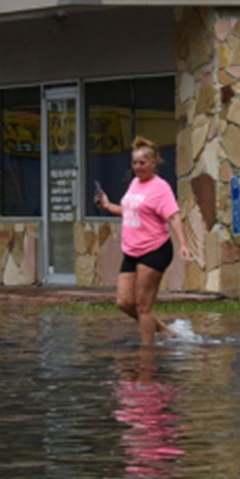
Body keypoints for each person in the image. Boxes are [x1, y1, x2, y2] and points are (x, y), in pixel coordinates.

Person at [96, 136, 193, 346]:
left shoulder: (161, 188)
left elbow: (174, 216)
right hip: (132, 250)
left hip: (155, 249)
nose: (137, 167)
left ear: (153, 162)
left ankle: (147, 354)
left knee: (143, 305)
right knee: (124, 302)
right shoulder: (134, 183)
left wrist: (184, 244)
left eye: (142, 163)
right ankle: (167, 332)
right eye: (134, 163)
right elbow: (130, 210)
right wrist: (108, 206)